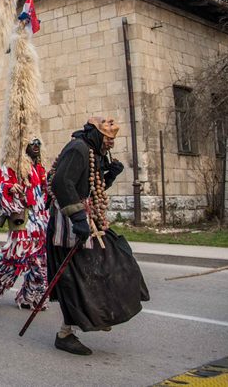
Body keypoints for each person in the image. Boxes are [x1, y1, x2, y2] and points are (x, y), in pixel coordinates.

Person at [47, 117, 149, 356]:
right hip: (70, 224)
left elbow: (90, 185)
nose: (111, 144)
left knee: (114, 259)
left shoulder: (93, 152)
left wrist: (108, 175)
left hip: (87, 218)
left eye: (113, 140)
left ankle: (100, 312)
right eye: (108, 139)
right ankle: (65, 334)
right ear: (96, 134)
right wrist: (79, 219)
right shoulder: (78, 149)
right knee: (75, 280)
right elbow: (63, 183)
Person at [0, 138, 49, 308]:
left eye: (39, 143)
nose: (36, 146)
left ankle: (30, 296)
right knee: (16, 256)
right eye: (32, 143)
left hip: (40, 220)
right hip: (22, 217)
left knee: (39, 260)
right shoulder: (13, 167)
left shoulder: (40, 168)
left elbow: (44, 192)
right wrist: (10, 187)